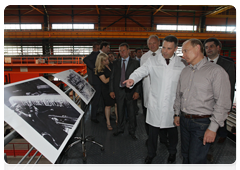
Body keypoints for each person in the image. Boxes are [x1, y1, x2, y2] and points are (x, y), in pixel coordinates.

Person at [123, 35, 186, 165]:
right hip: (156, 104)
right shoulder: (153, 60)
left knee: (173, 132)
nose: (165, 51)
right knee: (152, 133)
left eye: (169, 48)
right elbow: (141, 71)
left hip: (172, 106)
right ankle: (151, 154)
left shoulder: (181, 64)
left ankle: (172, 152)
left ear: (175, 49)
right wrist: (132, 79)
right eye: (164, 47)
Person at [173, 39, 231, 170]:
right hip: (184, 120)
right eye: (182, 52)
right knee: (186, 156)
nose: (183, 55)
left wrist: (213, 127)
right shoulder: (185, 71)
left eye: (186, 51)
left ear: (198, 48)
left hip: (202, 123)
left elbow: (222, 102)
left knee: (196, 162)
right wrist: (177, 113)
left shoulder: (216, 71)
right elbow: (179, 94)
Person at [204, 37, 236, 144]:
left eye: (211, 46)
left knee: (221, 119)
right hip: (204, 102)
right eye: (206, 47)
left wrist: (228, 106)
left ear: (218, 48)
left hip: (220, 100)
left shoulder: (228, 64)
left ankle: (222, 135)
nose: (208, 49)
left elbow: (230, 85)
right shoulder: (201, 63)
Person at [109, 43, 141, 141]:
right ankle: (120, 129)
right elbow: (112, 77)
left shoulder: (135, 63)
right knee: (120, 111)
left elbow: (139, 78)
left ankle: (132, 131)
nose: (122, 52)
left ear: (128, 51)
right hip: (119, 91)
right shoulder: (115, 63)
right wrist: (111, 90)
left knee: (131, 113)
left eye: (123, 50)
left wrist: (137, 92)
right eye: (120, 51)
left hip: (130, 91)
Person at [140, 35, 161, 145]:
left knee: (161, 116)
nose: (152, 45)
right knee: (147, 116)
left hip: (161, 93)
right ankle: (150, 137)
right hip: (147, 92)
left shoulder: (164, 55)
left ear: (159, 43)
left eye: (154, 43)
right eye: (150, 44)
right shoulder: (144, 57)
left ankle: (163, 138)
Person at [83, 41, 110, 123]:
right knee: (96, 99)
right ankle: (93, 116)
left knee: (103, 98)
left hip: (102, 81)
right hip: (97, 81)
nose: (109, 49)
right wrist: (95, 68)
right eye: (108, 47)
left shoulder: (103, 55)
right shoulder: (95, 54)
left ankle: (103, 114)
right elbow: (85, 59)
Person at [95, 53, 118, 130]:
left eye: (107, 59)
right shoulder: (100, 70)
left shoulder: (110, 65)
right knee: (108, 106)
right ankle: (108, 123)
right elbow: (104, 81)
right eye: (105, 60)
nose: (107, 61)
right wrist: (113, 76)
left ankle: (118, 120)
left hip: (114, 88)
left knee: (116, 104)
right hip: (106, 89)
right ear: (101, 61)